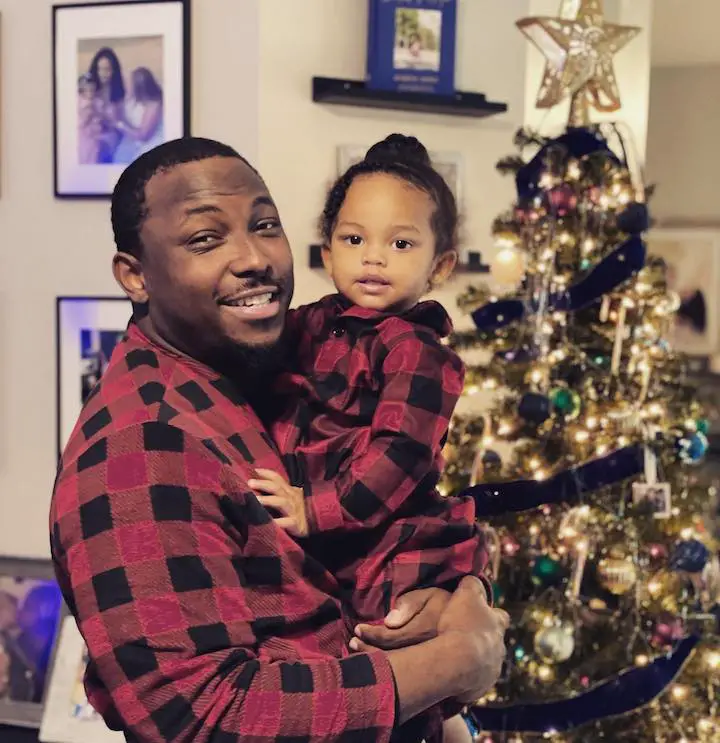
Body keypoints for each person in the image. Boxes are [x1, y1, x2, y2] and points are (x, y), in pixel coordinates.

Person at [50, 137, 509, 743]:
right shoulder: (140, 451)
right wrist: (452, 662)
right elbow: (202, 720)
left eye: (264, 225)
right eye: (205, 239)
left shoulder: (271, 363)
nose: (253, 258)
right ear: (136, 276)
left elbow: (406, 485)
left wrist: (466, 590)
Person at [250, 134, 485, 743]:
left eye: (401, 243)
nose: (374, 258)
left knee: (388, 628)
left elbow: (400, 456)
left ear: (439, 266)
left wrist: (313, 508)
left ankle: (444, 720)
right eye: (355, 240)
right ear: (328, 252)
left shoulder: (418, 353)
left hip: (389, 529)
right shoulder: (315, 323)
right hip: (334, 532)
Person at [114, 67, 165, 164]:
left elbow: (143, 135)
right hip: (133, 141)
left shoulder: (154, 105)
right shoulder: (133, 100)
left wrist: (118, 124)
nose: (127, 86)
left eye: (130, 83)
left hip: (149, 145)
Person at [86, 47, 126, 163]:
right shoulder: (89, 91)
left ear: (114, 70)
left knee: (99, 148)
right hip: (91, 134)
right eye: (100, 69)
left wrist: (108, 120)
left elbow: (119, 124)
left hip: (110, 136)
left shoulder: (118, 93)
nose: (103, 74)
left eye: (107, 69)